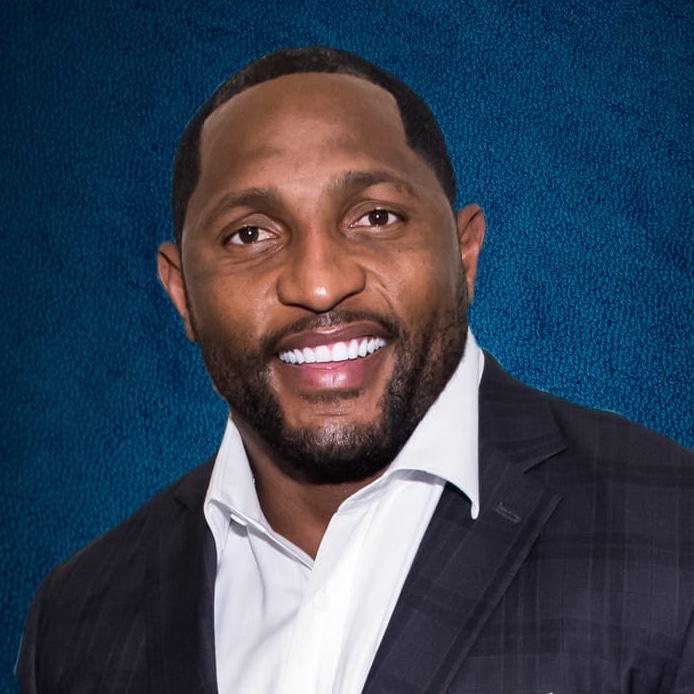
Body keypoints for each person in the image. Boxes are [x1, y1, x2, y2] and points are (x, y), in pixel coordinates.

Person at [17, 45, 694, 694]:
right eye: (250, 234)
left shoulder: (674, 531)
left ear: (464, 256)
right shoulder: (76, 622)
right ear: (182, 293)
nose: (319, 284)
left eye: (376, 217)